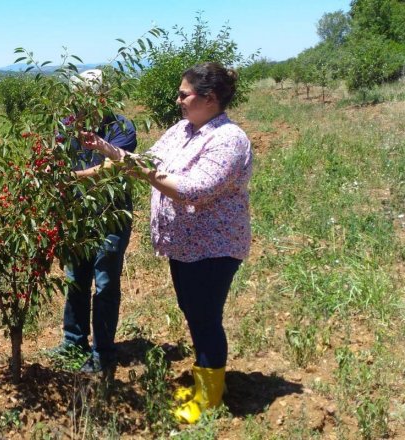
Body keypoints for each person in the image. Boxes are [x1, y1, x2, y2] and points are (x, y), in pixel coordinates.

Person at [81, 62, 252, 423]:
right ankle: (205, 382)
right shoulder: (183, 130)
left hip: (213, 248)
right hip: (185, 247)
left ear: (210, 98)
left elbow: (193, 189)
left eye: (183, 94)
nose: (177, 100)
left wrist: (142, 172)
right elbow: (144, 160)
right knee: (194, 312)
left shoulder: (228, 139)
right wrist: (105, 153)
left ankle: (208, 401)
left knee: (205, 318)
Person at [53, 69, 138, 378]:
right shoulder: (66, 126)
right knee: (75, 279)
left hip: (110, 217)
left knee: (104, 284)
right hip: (77, 217)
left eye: (83, 99)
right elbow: (54, 159)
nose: (76, 105)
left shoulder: (121, 127)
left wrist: (67, 179)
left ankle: (102, 352)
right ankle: (72, 342)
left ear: (100, 98)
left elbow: (111, 168)